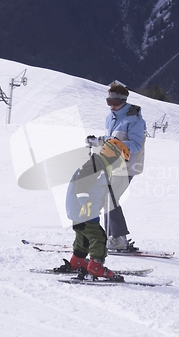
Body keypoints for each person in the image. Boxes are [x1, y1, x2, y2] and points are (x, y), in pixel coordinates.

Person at [86, 82, 147, 250]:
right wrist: (98, 141)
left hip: (128, 165)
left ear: (124, 101)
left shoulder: (134, 120)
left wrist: (114, 143)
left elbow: (135, 146)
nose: (112, 106)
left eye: (115, 103)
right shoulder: (111, 117)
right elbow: (110, 140)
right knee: (107, 198)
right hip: (113, 164)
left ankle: (119, 239)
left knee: (110, 199)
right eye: (109, 102)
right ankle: (114, 238)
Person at [64, 138, 131, 279]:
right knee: (98, 237)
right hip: (83, 209)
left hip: (82, 210)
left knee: (83, 236)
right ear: (112, 155)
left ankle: (78, 261)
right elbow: (81, 183)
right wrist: (85, 202)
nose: (120, 164)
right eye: (120, 160)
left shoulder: (101, 165)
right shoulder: (95, 166)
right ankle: (96, 266)